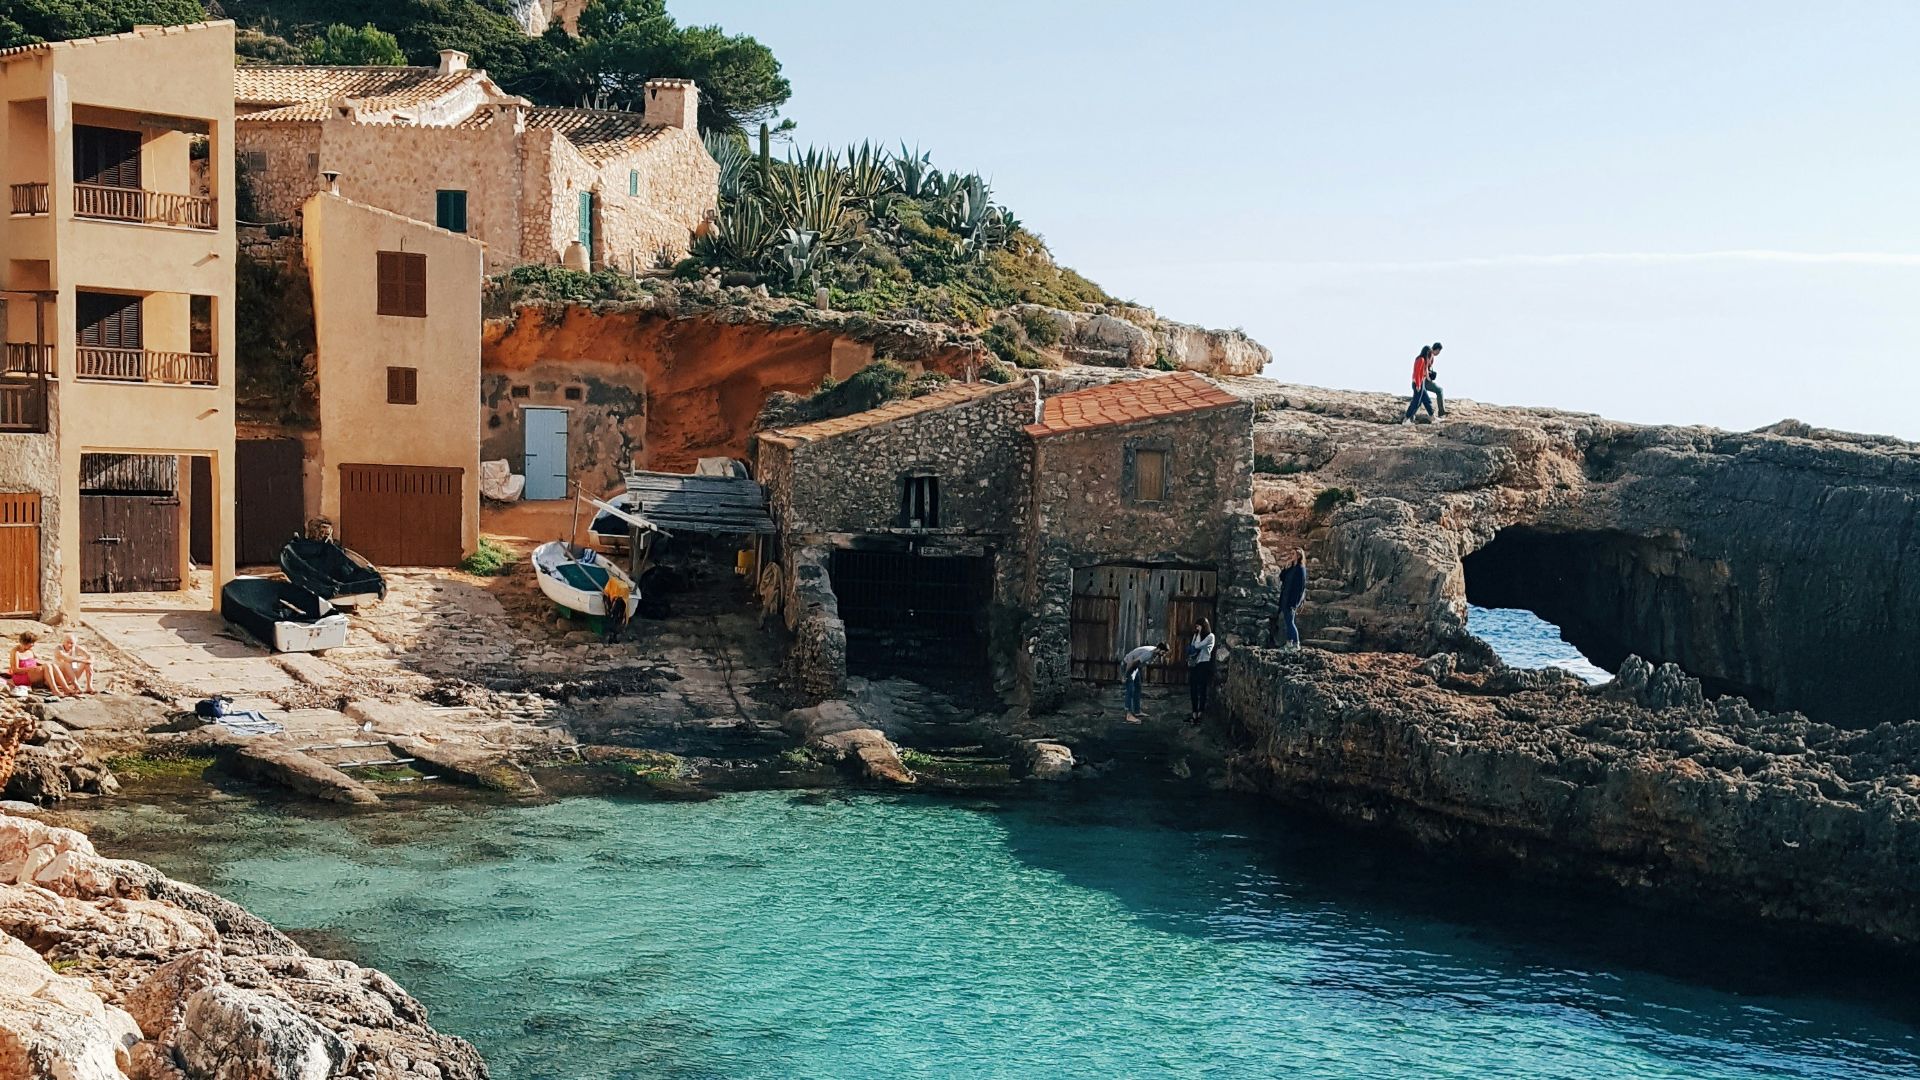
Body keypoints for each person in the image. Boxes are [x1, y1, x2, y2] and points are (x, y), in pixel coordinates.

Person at [8, 632, 74, 697]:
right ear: (24, 642)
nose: (33, 645)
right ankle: (55, 691)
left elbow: (33, 662)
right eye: (31, 643)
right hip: (22, 676)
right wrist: (30, 669)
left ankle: (66, 689)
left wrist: (43, 665)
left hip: (32, 673)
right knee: (47, 666)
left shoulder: (30, 650)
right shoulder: (16, 652)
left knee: (52, 665)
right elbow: (15, 670)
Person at [1119, 641, 1166, 722]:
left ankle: (1137, 711)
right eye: (1163, 652)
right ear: (1158, 649)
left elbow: (1138, 662)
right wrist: (1125, 675)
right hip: (1128, 665)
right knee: (1130, 690)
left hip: (1135, 667)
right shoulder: (1148, 654)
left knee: (1138, 687)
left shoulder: (1154, 652)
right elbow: (1132, 662)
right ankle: (1128, 715)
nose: (1163, 654)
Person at [1186, 618, 1216, 724]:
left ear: (1203, 626)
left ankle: (1200, 713)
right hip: (1195, 664)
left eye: (1198, 626)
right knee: (1193, 689)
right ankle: (1194, 712)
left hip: (1204, 664)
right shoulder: (1197, 636)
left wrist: (1198, 635)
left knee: (1202, 689)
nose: (1197, 628)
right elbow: (1192, 646)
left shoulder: (1210, 636)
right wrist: (1196, 636)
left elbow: (1197, 645)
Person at [1276, 548, 1308, 648]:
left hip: (1291, 601)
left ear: (1298, 556)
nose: (1291, 555)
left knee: (1290, 622)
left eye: (1293, 553)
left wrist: (1295, 603)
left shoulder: (1300, 569)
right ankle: (1289, 642)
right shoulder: (1291, 568)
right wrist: (1285, 567)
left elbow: (1301, 588)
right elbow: (1282, 577)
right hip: (1285, 599)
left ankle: (1296, 643)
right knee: (1288, 622)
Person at [1403, 345, 1436, 424]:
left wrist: (1428, 377)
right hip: (1418, 384)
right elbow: (1417, 373)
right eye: (1429, 353)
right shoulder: (1421, 359)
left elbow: (1423, 372)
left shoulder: (1423, 360)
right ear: (1427, 353)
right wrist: (1418, 385)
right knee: (1415, 402)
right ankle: (1406, 419)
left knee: (1427, 400)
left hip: (1421, 383)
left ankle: (1433, 418)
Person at [1424, 341, 1446, 418]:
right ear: (1437, 350)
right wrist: (1428, 377)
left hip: (1421, 380)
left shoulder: (1428, 354)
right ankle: (1442, 413)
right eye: (1439, 351)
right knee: (1439, 390)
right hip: (1424, 380)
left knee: (1421, 398)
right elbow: (1425, 367)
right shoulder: (1430, 354)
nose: (1439, 353)